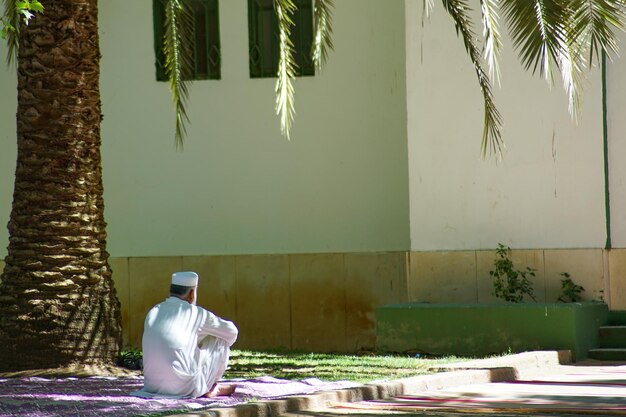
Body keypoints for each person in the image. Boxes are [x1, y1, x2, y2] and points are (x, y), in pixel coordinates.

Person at [134, 271, 238, 398]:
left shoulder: (154, 311)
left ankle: (204, 384)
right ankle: (209, 386)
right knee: (220, 337)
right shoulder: (197, 314)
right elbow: (232, 332)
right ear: (192, 294)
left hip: (151, 386)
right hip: (183, 388)